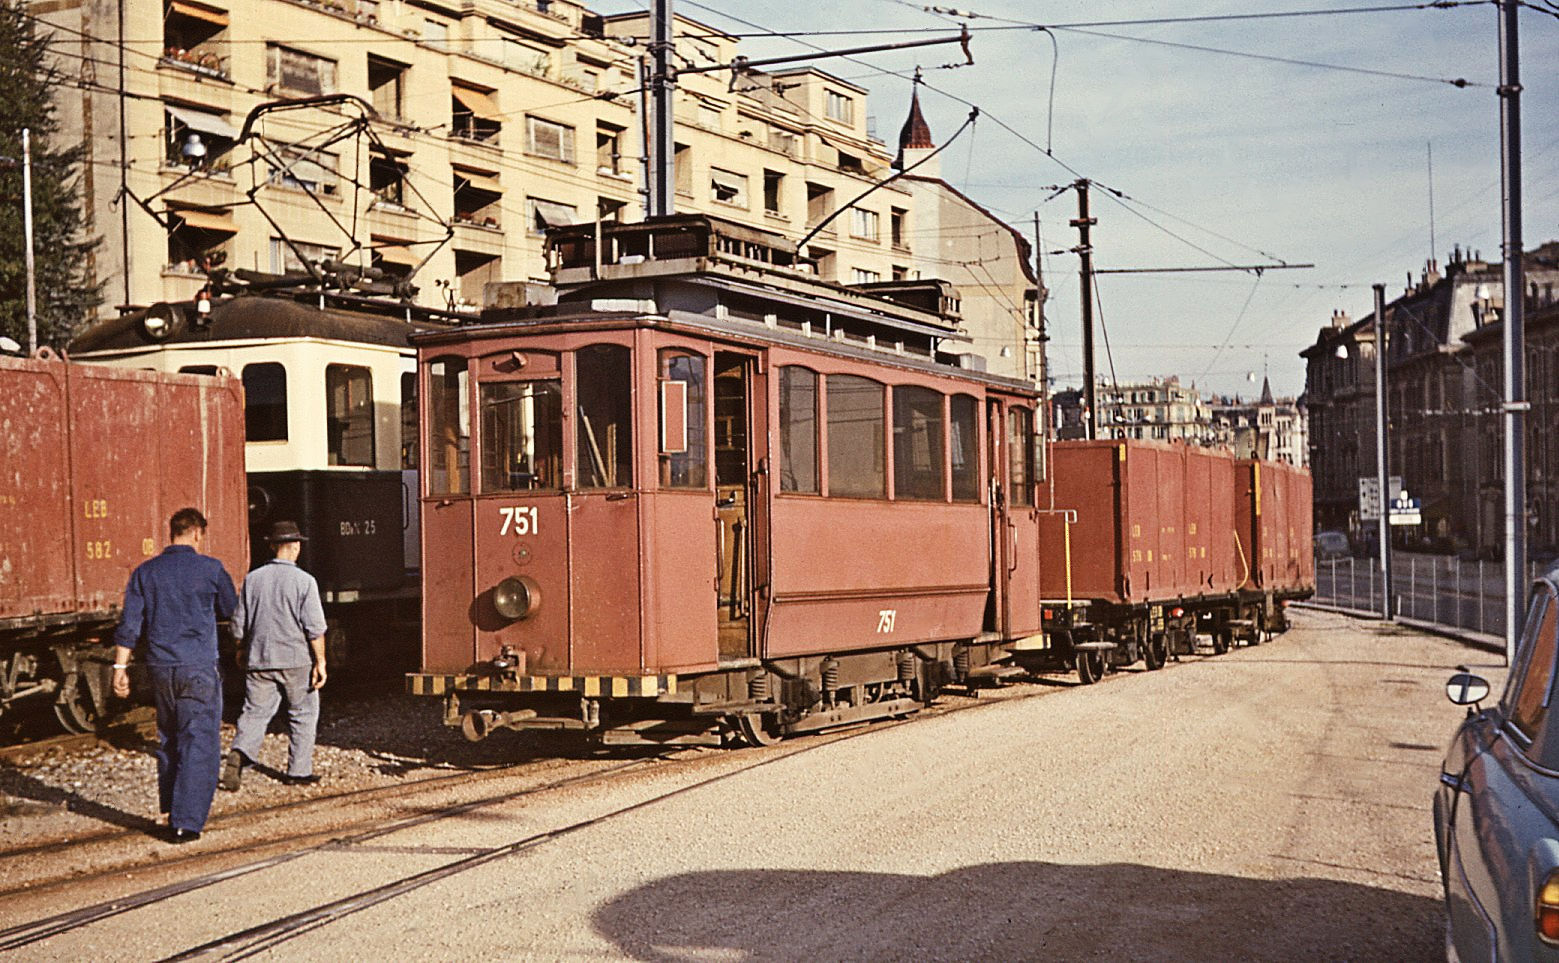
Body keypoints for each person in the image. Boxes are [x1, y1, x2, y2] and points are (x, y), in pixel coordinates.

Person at [112, 507, 238, 844]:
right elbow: (230, 609)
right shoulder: (210, 569)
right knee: (199, 742)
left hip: (160, 669)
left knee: (168, 738)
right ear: (197, 532)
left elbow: (130, 625)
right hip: (197, 666)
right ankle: (186, 822)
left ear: (172, 532)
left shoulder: (145, 572)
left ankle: (171, 809)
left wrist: (119, 668)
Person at [221, 520, 328, 791]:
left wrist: (241, 649)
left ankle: (240, 753)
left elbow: (238, 624)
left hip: (259, 658)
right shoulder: (305, 582)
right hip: (295, 660)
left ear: (272, 546)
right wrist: (321, 662)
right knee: (303, 713)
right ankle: (298, 771)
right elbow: (315, 629)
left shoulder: (252, 579)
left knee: (255, 713)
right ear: (295, 547)